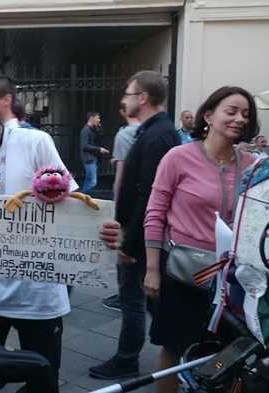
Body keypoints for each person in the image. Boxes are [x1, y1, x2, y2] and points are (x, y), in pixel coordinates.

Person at [0, 77, 121, 393]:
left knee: (43, 382)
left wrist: (101, 230)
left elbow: (71, 200)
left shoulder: (34, 142)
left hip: (39, 298)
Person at [144, 86, 258, 393]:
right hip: (184, 271)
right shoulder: (178, 157)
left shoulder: (252, 164)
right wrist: (152, 268)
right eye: (231, 111)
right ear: (208, 115)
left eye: (245, 114)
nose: (239, 119)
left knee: (229, 351)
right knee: (174, 348)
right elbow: (155, 213)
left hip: (233, 278)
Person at [89, 70, 178, 380]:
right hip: (140, 233)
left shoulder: (157, 134)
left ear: (143, 98)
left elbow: (151, 194)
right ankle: (167, 344)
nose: (123, 101)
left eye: (128, 94)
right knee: (142, 299)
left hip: (140, 237)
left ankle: (128, 358)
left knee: (133, 300)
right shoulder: (155, 131)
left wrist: (131, 243)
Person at [100, 105, 141, 313]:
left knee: (123, 255)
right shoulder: (157, 131)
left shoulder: (125, 135)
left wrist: (116, 209)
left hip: (128, 205)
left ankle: (124, 297)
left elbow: (121, 178)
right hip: (146, 205)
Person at [79, 111, 109, 194]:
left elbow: (101, 137)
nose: (99, 120)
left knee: (90, 180)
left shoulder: (93, 129)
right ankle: (83, 196)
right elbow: (84, 146)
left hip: (93, 158)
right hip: (88, 159)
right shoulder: (85, 130)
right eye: (97, 118)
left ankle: (84, 196)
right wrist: (99, 149)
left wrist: (99, 128)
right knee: (92, 181)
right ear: (91, 118)